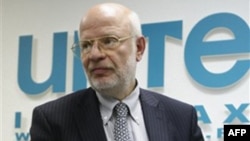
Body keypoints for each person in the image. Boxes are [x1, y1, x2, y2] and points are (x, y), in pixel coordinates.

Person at [30, 2, 204, 141]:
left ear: (139, 47)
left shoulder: (182, 117)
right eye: (86, 45)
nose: (94, 54)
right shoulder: (52, 120)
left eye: (109, 41)